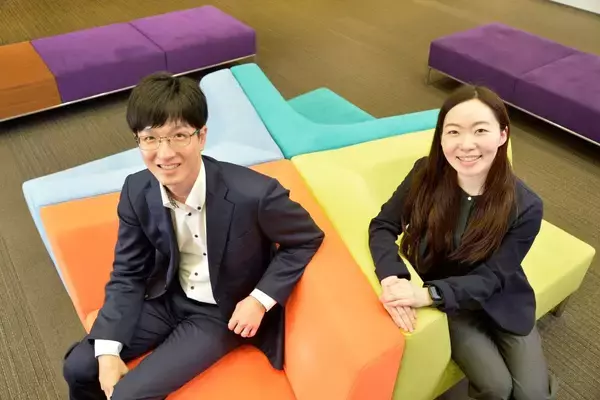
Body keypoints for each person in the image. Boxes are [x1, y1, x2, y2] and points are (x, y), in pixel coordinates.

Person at [62, 72, 325, 400]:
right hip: (167, 297)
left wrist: (259, 300)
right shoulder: (136, 190)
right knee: (79, 367)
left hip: (218, 313)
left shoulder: (255, 194)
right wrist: (107, 352)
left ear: (201, 136)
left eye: (179, 135)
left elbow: (306, 238)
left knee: (128, 395)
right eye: (150, 138)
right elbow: (128, 272)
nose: (164, 153)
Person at [368, 85, 556, 400]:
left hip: (500, 296)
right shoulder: (425, 174)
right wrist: (391, 277)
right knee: (496, 387)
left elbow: (494, 276)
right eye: (453, 131)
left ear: (502, 135)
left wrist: (426, 295)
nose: (466, 145)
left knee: (533, 395)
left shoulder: (526, 205)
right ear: (441, 137)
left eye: (480, 130)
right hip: (450, 299)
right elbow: (383, 226)